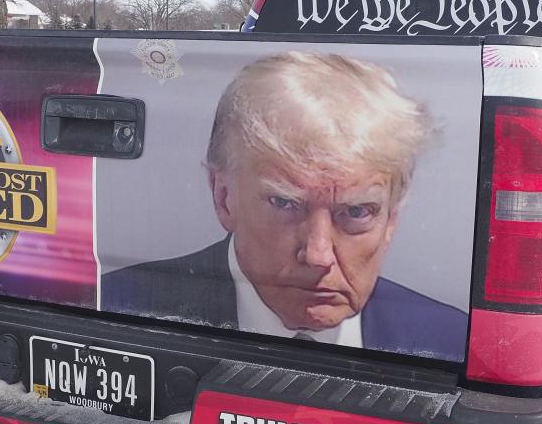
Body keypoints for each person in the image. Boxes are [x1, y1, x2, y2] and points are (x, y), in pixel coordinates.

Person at [102, 52, 466, 361]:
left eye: (356, 212)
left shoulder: (450, 344)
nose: (318, 255)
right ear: (223, 197)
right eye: (286, 203)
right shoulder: (113, 315)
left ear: (391, 219)